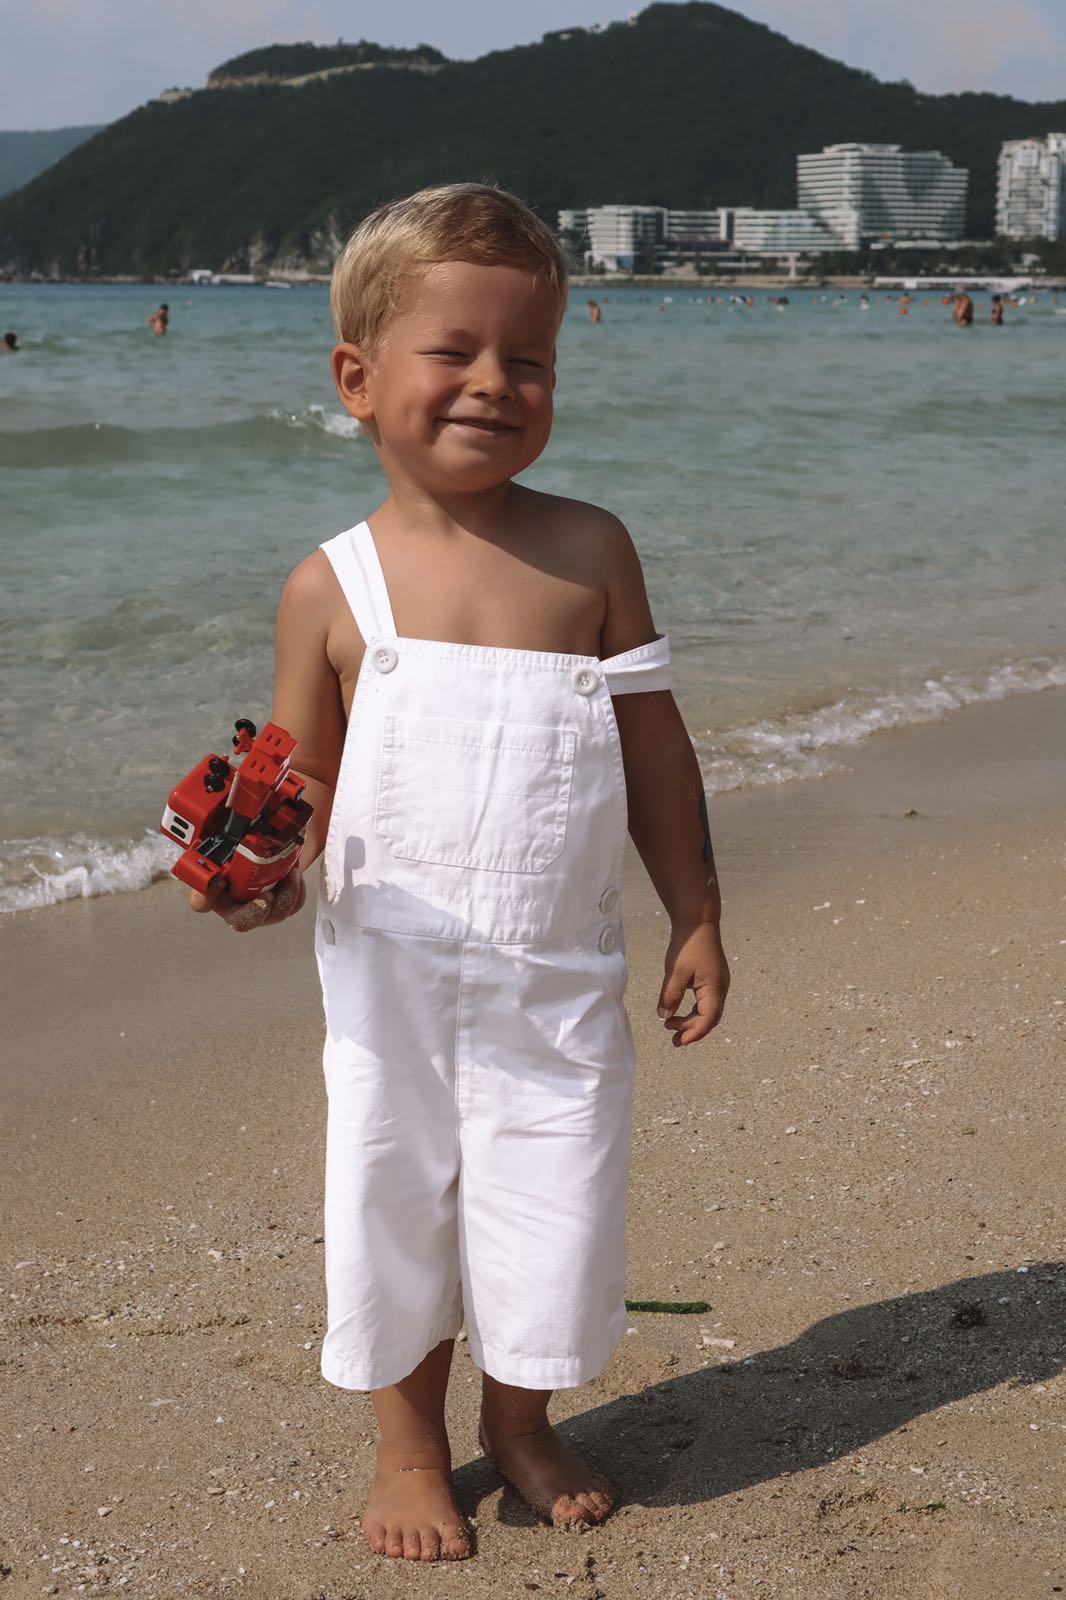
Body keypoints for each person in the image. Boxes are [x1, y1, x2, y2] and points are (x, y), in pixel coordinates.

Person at [187, 183, 730, 1563]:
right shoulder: (331, 588)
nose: (495, 382)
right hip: (393, 977)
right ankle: (409, 1445)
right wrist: (259, 874)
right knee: (394, 1202)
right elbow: (297, 791)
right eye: (454, 351)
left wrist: (697, 911)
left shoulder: (591, 553)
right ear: (357, 380)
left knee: (556, 1199)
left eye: (528, 358)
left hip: (557, 973)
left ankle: (521, 1419)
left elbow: (654, 752)